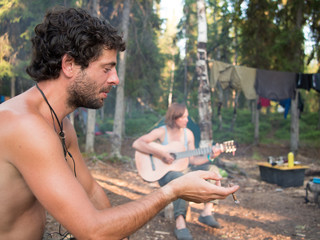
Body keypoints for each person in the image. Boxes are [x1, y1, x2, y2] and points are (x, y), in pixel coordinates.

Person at [0, 7, 239, 240]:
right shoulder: (25, 125)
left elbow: (91, 191)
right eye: (106, 69)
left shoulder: (60, 124)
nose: (115, 79)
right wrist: (172, 190)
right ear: (69, 64)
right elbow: (92, 230)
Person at [132, 103, 227, 240]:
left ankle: (206, 213)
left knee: (213, 170)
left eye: (187, 116)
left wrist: (210, 156)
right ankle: (180, 224)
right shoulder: (161, 131)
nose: (187, 120)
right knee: (181, 178)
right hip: (166, 174)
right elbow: (137, 143)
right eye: (183, 117)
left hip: (185, 169)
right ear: (174, 117)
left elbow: (193, 160)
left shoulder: (188, 134)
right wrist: (161, 153)